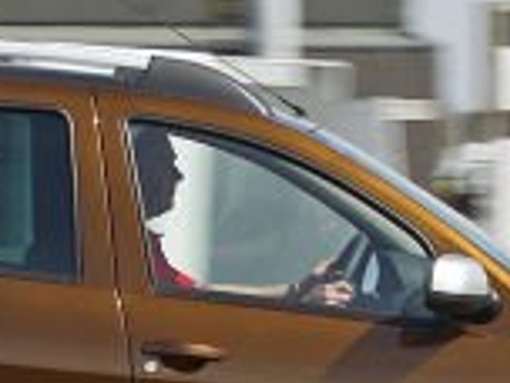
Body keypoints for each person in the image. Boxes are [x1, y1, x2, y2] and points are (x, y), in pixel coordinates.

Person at [132, 125, 354, 308]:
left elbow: (197, 292)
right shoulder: (125, 248)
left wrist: (297, 291)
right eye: (166, 164)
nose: (179, 176)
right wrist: (304, 302)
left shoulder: (139, 244)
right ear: (137, 170)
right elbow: (193, 309)